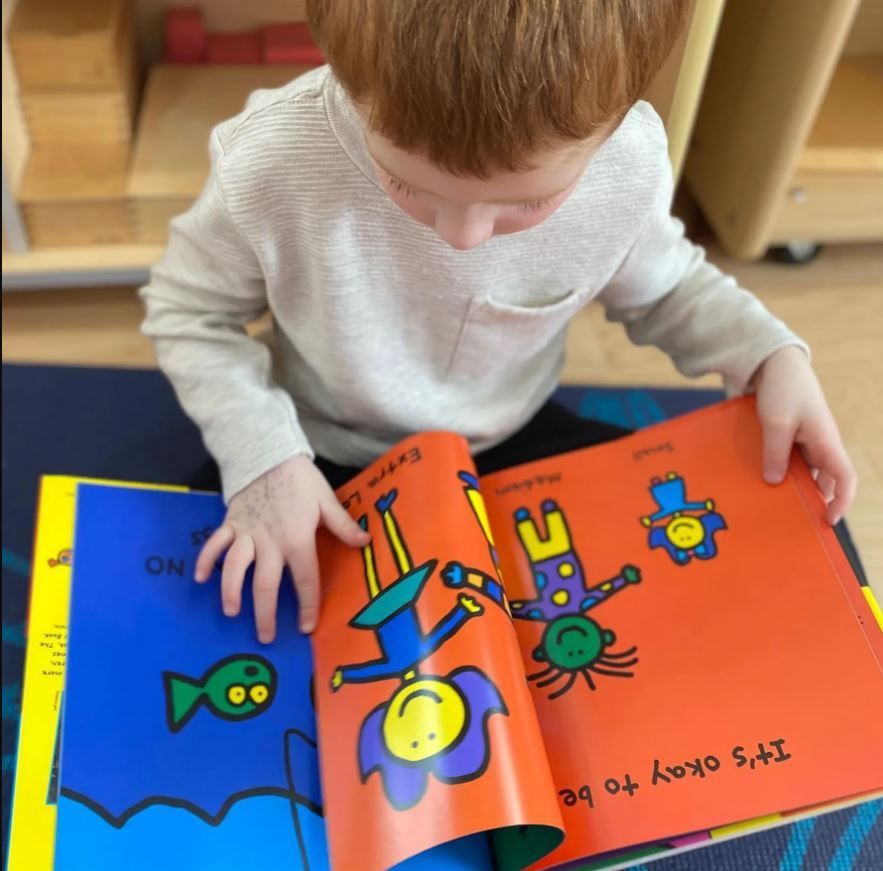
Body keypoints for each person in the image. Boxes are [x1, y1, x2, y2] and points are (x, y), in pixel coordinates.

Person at [140, 0, 856, 642]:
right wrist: (265, 457)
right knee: (209, 601)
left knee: (671, 588)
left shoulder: (626, 165)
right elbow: (188, 311)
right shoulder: (270, 161)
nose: (463, 238)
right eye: (406, 183)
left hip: (507, 437)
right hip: (318, 444)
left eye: (525, 202)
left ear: (613, 126)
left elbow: (665, 288)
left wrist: (767, 354)